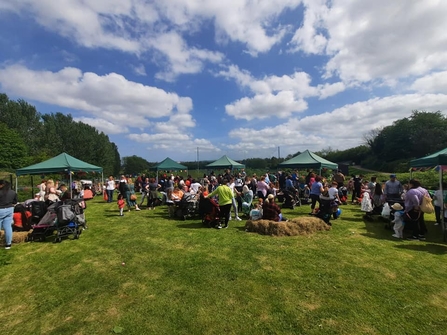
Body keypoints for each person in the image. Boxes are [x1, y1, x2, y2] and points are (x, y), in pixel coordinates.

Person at [0, 180, 18, 249]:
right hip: (9, 209)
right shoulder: (13, 192)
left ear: (2, 185)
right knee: (7, 227)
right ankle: (8, 244)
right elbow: (15, 201)